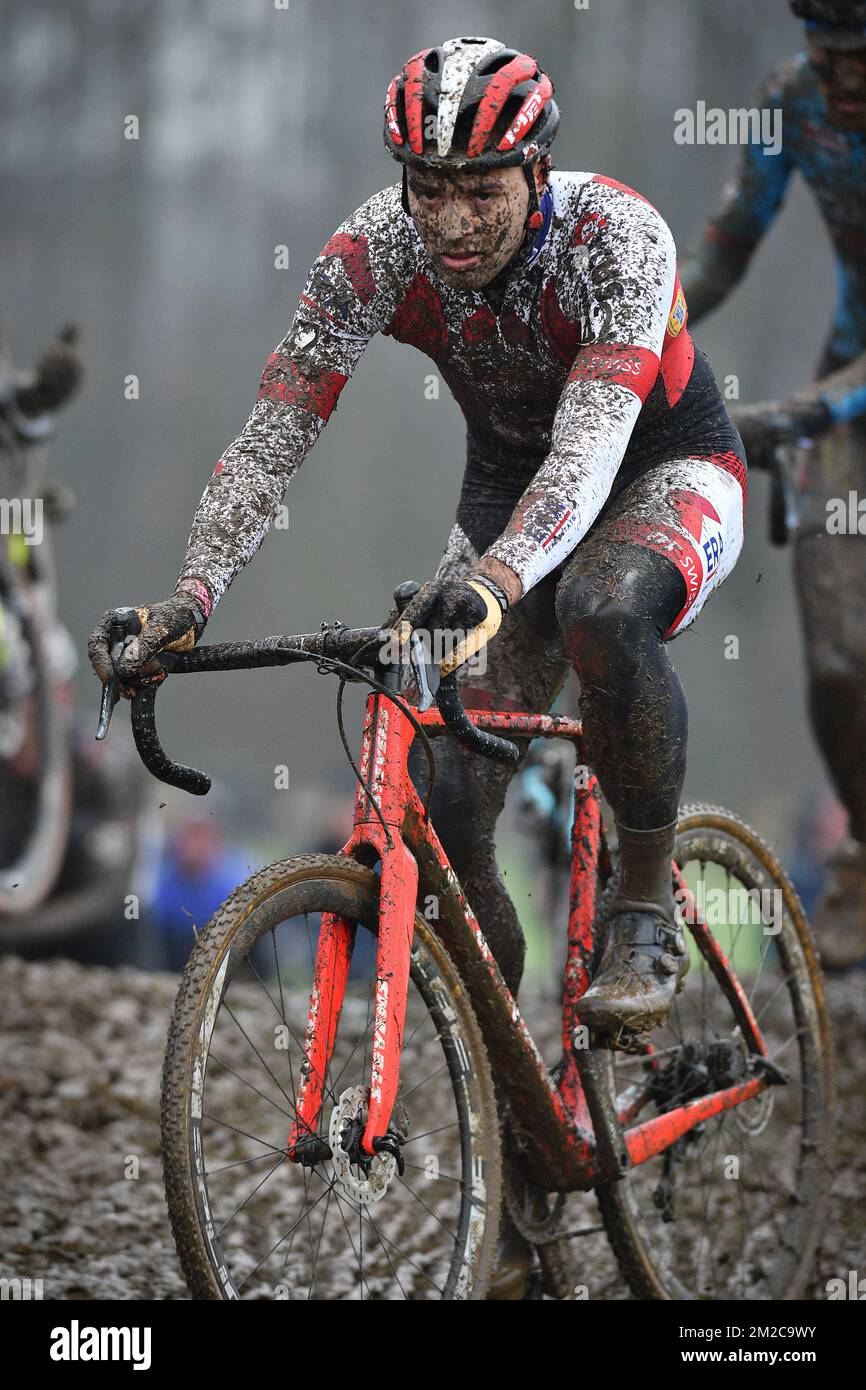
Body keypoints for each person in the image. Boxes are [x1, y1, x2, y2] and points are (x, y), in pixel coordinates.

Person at [88, 37, 746, 1295]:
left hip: (658, 467)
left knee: (605, 608)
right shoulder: (370, 251)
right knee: (443, 803)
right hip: (506, 493)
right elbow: (275, 426)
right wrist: (189, 595)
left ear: (534, 170)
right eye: (422, 186)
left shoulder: (615, 237)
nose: (445, 219)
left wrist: (494, 586)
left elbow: (593, 444)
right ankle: (526, 1132)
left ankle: (646, 904)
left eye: (476, 190)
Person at [680, 0, 866, 970]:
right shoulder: (792, 103)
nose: (839, 81)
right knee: (837, 659)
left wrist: (807, 407)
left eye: (858, 61)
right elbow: (724, 248)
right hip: (847, 401)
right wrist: (639, 318)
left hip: (839, 397)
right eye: (823, 55)